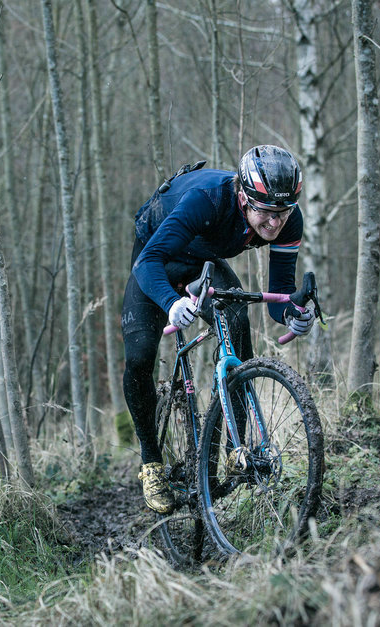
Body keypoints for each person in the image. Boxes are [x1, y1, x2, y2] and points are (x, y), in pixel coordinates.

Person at [120, 145, 315, 514]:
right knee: (140, 355)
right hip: (155, 257)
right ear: (243, 197)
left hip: (201, 259)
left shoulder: (289, 220)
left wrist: (292, 314)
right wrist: (170, 303)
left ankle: (234, 449)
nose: (275, 224)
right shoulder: (206, 201)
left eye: (282, 213)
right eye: (266, 214)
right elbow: (148, 263)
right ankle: (151, 464)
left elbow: (278, 297)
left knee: (238, 320)